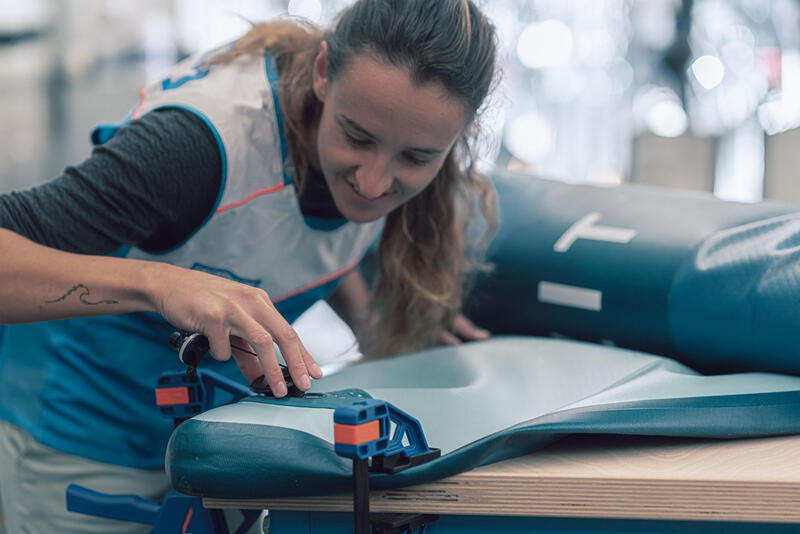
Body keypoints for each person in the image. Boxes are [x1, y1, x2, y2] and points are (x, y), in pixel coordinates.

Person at [0, 0, 498, 531]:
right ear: (323, 74)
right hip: (80, 436)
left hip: (214, 444)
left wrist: (379, 323)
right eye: (356, 137)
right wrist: (160, 284)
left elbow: (291, 234)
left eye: (416, 158)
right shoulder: (195, 148)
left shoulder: (384, 143)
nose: (374, 183)